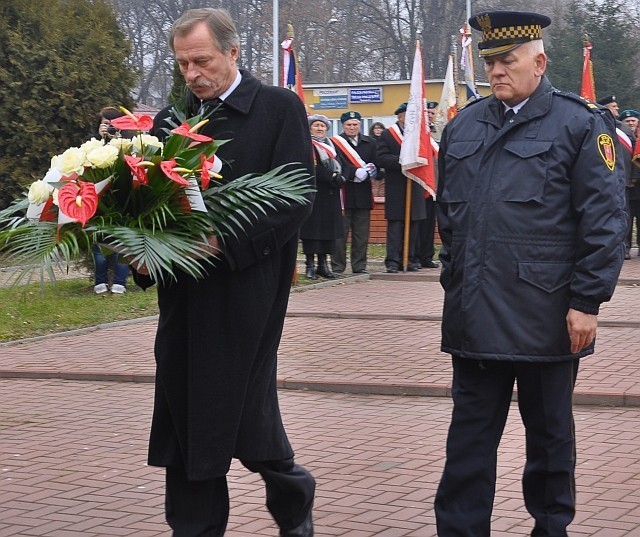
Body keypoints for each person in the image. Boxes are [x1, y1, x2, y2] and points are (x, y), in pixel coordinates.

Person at [434, 10, 627, 537]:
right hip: (475, 316)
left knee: (549, 440)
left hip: (547, 317)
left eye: (508, 60)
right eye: (490, 60)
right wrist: (454, 279)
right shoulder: (464, 125)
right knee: (467, 445)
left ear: (539, 61)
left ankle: (551, 527)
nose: (497, 70)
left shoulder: (581, 124)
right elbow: (449, 219)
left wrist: (587, 302)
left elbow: (606, 222)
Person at [131, 8, 316, 536]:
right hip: (184, 297)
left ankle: (292, 493)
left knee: (247, 420)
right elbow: (153, 206)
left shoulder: (278, 109)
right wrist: (143, 251)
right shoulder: (172, 121)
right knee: (185, 419)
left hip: (248, 293)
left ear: (233, 54)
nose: (192, 73)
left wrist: (223, 242)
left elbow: (295, 197)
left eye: (202, 60)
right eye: (183, 63)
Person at [376, 102, 425, 272]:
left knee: (413, 224)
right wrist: (402, 161)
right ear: (400, 116)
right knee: (396, 225)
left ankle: (409, 258)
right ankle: (393, 261)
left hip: (415, 184)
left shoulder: (420, 135)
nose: (410, 119)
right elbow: (381, 158)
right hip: (396, 186)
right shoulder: (388, 134)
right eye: (407, 115)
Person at [330, 111, 378, 274]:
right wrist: (353, 172)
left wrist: (372, 171)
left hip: (363, 194)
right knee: (340, 234)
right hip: (343, 194)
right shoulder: (335, 143)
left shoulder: (370, 142)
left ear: (360, 125)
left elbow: (378, 163)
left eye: (355, 124)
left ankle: (359, 266)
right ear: (343, 126)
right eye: (349, 125)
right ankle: (337, 267)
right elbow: (335, 164)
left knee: (361, 235)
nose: (352, 127)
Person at [300, 114, 345, 279]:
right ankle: (310, 265)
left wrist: (340, 177)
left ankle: (323, 264)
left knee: (327, 231)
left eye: (322, 126)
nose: (319, 128)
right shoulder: (307, 144)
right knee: (312, 232)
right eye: (316, 125)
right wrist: (332, 177)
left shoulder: (331, 145)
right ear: (310, 127)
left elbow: (341, 164)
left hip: (331, 194)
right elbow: (310, 167)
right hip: (314, 193)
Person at [92, 107, 130, 294]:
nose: (109, 128)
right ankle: (99, 281)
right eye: (105, 124)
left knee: (123, 244)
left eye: (112, 124)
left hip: (122, 197)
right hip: (100, 200)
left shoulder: (127, 141)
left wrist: (117, 138)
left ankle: (120, 282)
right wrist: (101, 138)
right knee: (100, 243)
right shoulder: (92, 144)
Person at [415, 101, 439, 269]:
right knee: (419, 223)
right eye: (427, 113)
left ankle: (427, 256)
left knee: (431, 223)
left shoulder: (439, 132)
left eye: (432, 113)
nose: (430, 116)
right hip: (421, 184)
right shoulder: (417, 134)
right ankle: (416, 255)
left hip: (437, 185)